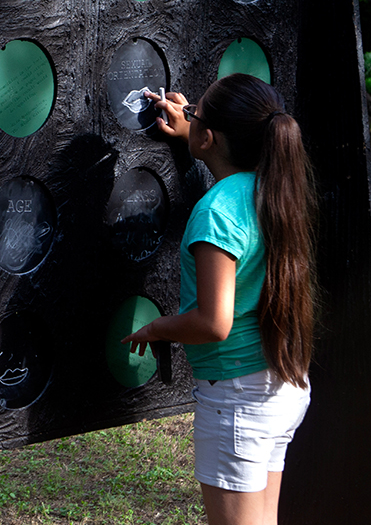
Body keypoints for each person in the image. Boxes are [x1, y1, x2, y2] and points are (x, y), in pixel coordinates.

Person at [122, 73, 317, 525]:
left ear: (210, 137)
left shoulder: (216, 212)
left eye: (195, 112)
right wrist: (195, 130)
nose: (187, 114)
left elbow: (214, 322)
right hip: (281, 384)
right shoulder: (276, 188)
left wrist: (157, 328)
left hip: (239, 401)